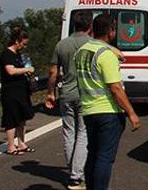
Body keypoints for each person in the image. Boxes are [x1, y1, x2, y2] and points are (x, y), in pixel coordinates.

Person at [75, 14, 140, 190]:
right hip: (107, 111)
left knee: (93, 155)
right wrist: (131, 113)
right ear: (111, 32)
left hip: (88, 109)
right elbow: (115, 88)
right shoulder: (106, 56)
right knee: (105, 158)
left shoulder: (82, 51)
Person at [45, 10, 92, 190]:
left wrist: (51, 93)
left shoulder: (61, 45)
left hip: (66, 93)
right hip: (86, 94)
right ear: (89, 26)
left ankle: (73, 169)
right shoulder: (91, 44)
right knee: (83, 134)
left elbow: (53, 72)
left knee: (68, 133)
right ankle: (76, 176)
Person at [0, 27, 36, 155]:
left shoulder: (19, 55)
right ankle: (10, 146)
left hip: (22, 90)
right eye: (23, 43)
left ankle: (21, 143)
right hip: (10, 92)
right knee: (11, 118)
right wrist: (27, 70)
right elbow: (10, 70)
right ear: (16, 41)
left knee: (22, 118)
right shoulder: (6, 54)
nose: (24, 46)